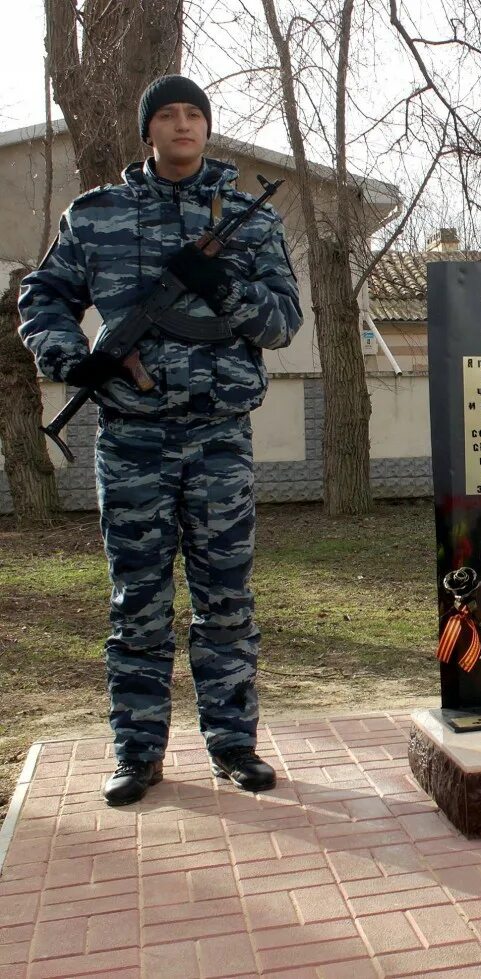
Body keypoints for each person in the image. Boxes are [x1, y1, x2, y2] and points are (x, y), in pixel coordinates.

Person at [19, 75, 303, 803]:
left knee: (226, 601)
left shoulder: (249, 219)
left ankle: (233, 744)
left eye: (194, 115)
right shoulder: (98, 216)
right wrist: (71, 357)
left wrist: (221, 286)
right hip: (133, 439)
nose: (183, 126)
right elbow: (44, 295)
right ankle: (138, 751)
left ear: (207, 129)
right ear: (148, 130)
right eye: (168, 116)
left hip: (218, 438)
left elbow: (279, 324)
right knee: (137, 601)